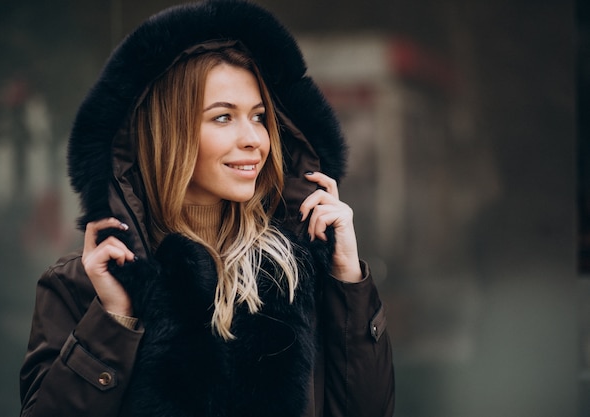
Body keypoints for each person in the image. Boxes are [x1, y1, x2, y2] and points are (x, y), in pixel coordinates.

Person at [19, 1, 395, 416]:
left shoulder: (298, 273)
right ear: (169, 133)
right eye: (222, 118)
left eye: (258, 116)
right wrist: (113, 320)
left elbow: (370, 410)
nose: (254, 138)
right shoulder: (83, 284)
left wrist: (348, 277)